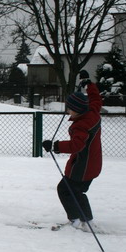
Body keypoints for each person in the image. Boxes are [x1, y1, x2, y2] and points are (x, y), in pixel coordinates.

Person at [43, 70, 102, 232]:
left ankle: (83, 220)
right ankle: (80, 219)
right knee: (73, 190)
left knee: (69, 190)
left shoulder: (81, 125)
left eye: (69, 108)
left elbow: (77, 145)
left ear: (76, 110)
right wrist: (88, 83)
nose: (67, 111)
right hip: (92, 163)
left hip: (83, 166)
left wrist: (55, 146)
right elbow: (96, 99)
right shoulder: (92, 112)